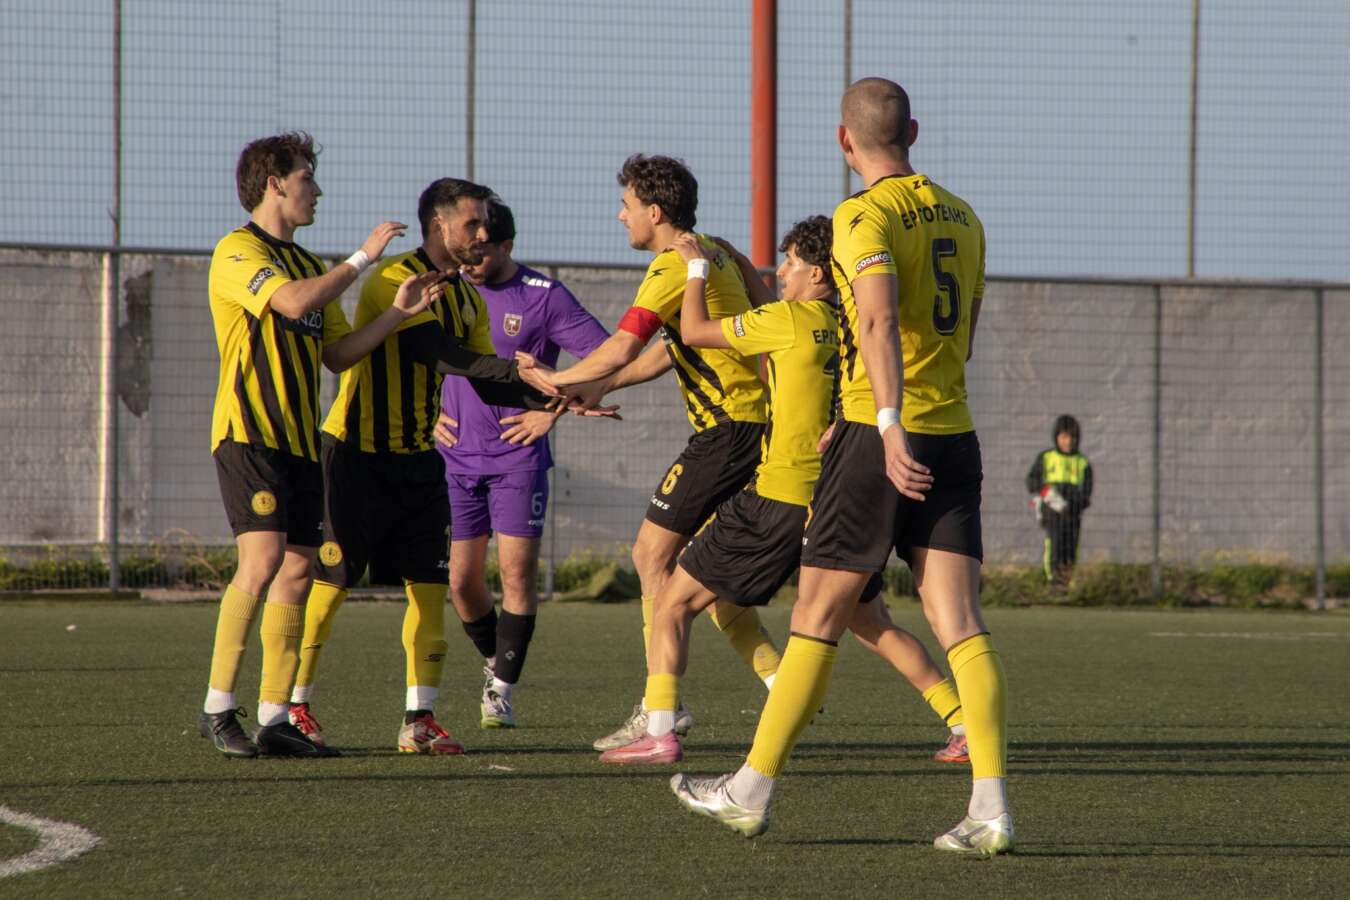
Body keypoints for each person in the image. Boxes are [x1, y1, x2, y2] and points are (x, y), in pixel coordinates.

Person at [669, 78, 1013, 857]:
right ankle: (991, 807)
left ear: (843, 140)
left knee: (817, 618)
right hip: (953, 433)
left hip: (875, 435)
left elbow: (880, 318)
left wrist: (884, 423)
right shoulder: (966, 216)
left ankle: (750, 791)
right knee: (960, 622)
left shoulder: (862, 215)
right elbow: (963, 334)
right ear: (913, 132)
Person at [597, 218, 969, 767]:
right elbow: (784, 313)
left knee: (673, 601)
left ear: (816, 273)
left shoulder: (785, 321)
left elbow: (694, 330)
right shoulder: (849, 326)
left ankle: (660, 732)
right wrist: (743, 264)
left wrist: (697, 269)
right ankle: (962, 721)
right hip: (836, 500)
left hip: (776, 499)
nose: (782, 271)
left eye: (791, 261)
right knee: (873, 625)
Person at [283, 178, 559, 755]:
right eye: (472, 223)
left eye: (485, 224)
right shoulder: (396, 278)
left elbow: (484, 379)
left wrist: (561, 398)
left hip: (420, 461)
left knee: (430, 589)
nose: (483, 233)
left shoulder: (466, 297)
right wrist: (527, 374)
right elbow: (439, 354)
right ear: (440, 226)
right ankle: (295, 705)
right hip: (355, 454)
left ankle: (420, 719)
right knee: (331, 586)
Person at [525, 155, 785, 750]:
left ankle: (660, 710)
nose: (621, 216)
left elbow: (622, 345)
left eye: (627, 205)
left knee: (650, 555)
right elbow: (668, 352)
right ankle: (781, 682)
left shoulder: (673, 266)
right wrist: (598, 386)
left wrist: (556, 381)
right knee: (702, 577)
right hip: (751, 428)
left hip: (728, 431)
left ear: (656, 211)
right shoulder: (710, 252)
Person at [199, 131, 444, 758]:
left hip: (302, 443)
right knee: (261, 562)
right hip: (250, 433)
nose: (317, 190)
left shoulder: (312, 264)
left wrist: (397, 313)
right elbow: (289, 302)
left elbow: (338, 353)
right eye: (307, 178)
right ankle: (218, 707)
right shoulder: (238, 250)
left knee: (299, 570)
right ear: (275, 183)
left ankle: (274, 716)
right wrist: (362, 258)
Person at [435, 200, 610, 729]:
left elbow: (606, 355)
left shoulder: (543, 295)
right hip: (455, 455)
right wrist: (428, 414)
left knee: (516, 573)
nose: (471, 261)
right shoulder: (446, 288)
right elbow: (409, 353)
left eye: (482, 251)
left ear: (507, 246)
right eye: (465, 251)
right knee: (461, 582)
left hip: (517, 456)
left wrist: (550, 413)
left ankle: (502, 690)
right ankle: (497, 660)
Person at [1027, 414, 1093, 583]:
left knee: (1071, 548)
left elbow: (1087, 491)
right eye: (1064, 437)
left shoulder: (1082, 462)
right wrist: (1047, 493)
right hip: (1052, 513)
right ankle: (1053, 582)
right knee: (1054, 545)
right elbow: (1032, 481)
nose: (1068, 442)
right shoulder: (1046, 457)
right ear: (1056, 437)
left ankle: (1067, 582)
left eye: (1072, 437)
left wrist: (1074, 503)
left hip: (1072, 514)